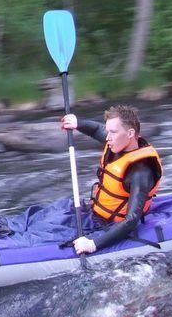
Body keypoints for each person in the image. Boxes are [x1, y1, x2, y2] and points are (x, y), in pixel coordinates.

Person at [60, 104, 162, 255]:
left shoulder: (140, 171)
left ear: (130, 133)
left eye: (112, 132)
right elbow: (96, 129)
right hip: (96, 214)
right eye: (108, 131)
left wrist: (93, 244)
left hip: (112, 224)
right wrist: (77, 123)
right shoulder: (116, 142)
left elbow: (132, 220)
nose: (107, 137)